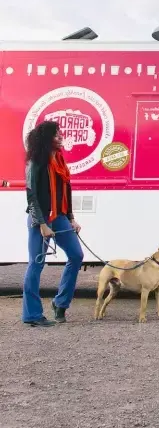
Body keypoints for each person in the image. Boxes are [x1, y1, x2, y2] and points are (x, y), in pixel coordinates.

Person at [22, 121, 84, 327]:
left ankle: (60, 303)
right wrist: (41, 224)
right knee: (36, 264)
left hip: (59, 216)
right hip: (40, 219)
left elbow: (66, 191)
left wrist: (71, 218)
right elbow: (31, 196)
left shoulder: (59, 160)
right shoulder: (35, 162)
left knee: (76, 255)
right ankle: (32, 315)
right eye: (56, 135)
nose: (60, 137)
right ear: (47, 138)